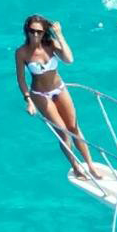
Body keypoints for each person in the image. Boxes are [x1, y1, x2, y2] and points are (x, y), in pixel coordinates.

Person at [15, 15, 95, 179]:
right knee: (63, 133)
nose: (35, 34)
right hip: (40, 94)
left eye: (39, 31)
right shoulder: (21, 52)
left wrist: (59, 34)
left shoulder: (50, 45)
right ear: (27, 31)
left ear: (44, 32)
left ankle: (91, 165)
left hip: (59, 88)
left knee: (74, 128)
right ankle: (75, 166)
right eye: (32, 31)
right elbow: (21, 79)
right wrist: (28, 100)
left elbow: (69, 59)